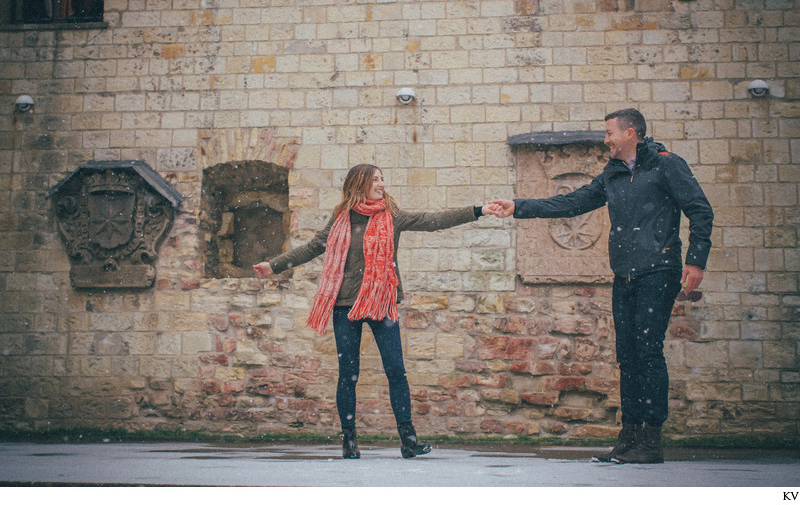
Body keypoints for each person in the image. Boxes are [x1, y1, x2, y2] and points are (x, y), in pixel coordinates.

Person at [491, 108, 713, 464]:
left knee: (648, 352)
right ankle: (629, 437)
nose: (606, 139)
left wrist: (696, 260)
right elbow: (571, 202)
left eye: (610, 133)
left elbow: (700, 210)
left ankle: (651, 440)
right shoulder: (611, 174)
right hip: (624, 273)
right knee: (627, 355)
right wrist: (518, 206)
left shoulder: (666, 165)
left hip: (659, 270)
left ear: (631, 133)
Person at [254, 163, 501, 459]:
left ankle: (408, 440)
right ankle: (349, 441)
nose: (382, 184)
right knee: (348, 374)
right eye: (375, 180)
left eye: (383, 179)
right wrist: (274, 265)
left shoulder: (391, 216)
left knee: (396, 371)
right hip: (345, 305)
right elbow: (312, 248)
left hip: (381, 302)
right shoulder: (341, 218)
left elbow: (433, 220)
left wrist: (478, 210)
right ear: (359, 184)